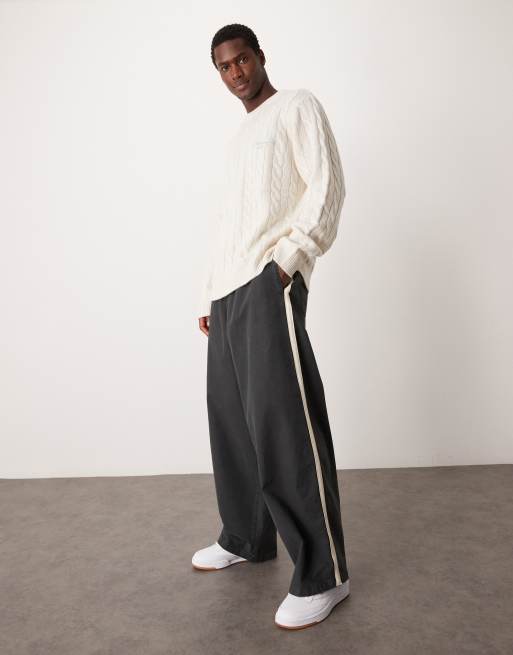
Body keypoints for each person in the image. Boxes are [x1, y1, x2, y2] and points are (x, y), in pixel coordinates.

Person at [193, 23, 350, 630]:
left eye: (241, 60)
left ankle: (323, 574)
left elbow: (327, 185)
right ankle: (245, 536)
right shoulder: (238, 138)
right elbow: (230, 221)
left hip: (268, 282)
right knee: (232, 423)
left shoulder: (297, 106)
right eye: (224, 66)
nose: (235, 72)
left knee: (284, 423)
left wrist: (287, 263)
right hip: (229, 292)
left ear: (260, 56)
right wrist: (210, 291)